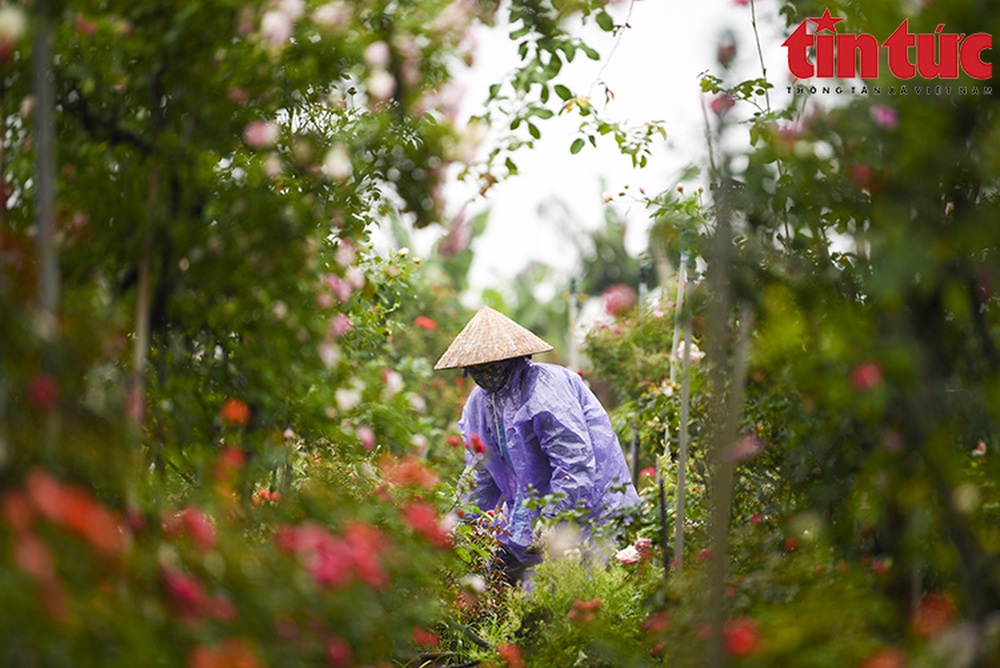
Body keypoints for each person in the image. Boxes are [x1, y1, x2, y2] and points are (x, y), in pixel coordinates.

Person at [436, 306, 639, 584]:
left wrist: (550, 519)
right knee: (538, 601)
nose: (485, 375)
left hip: (589, 504)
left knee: (596, 590)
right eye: (476, 369)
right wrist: (461, 527)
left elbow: (574, 464)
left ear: (514, 359)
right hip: (535, 512)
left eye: (491, 367)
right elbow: (480, 474)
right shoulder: (480, 404)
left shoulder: (545, 389)